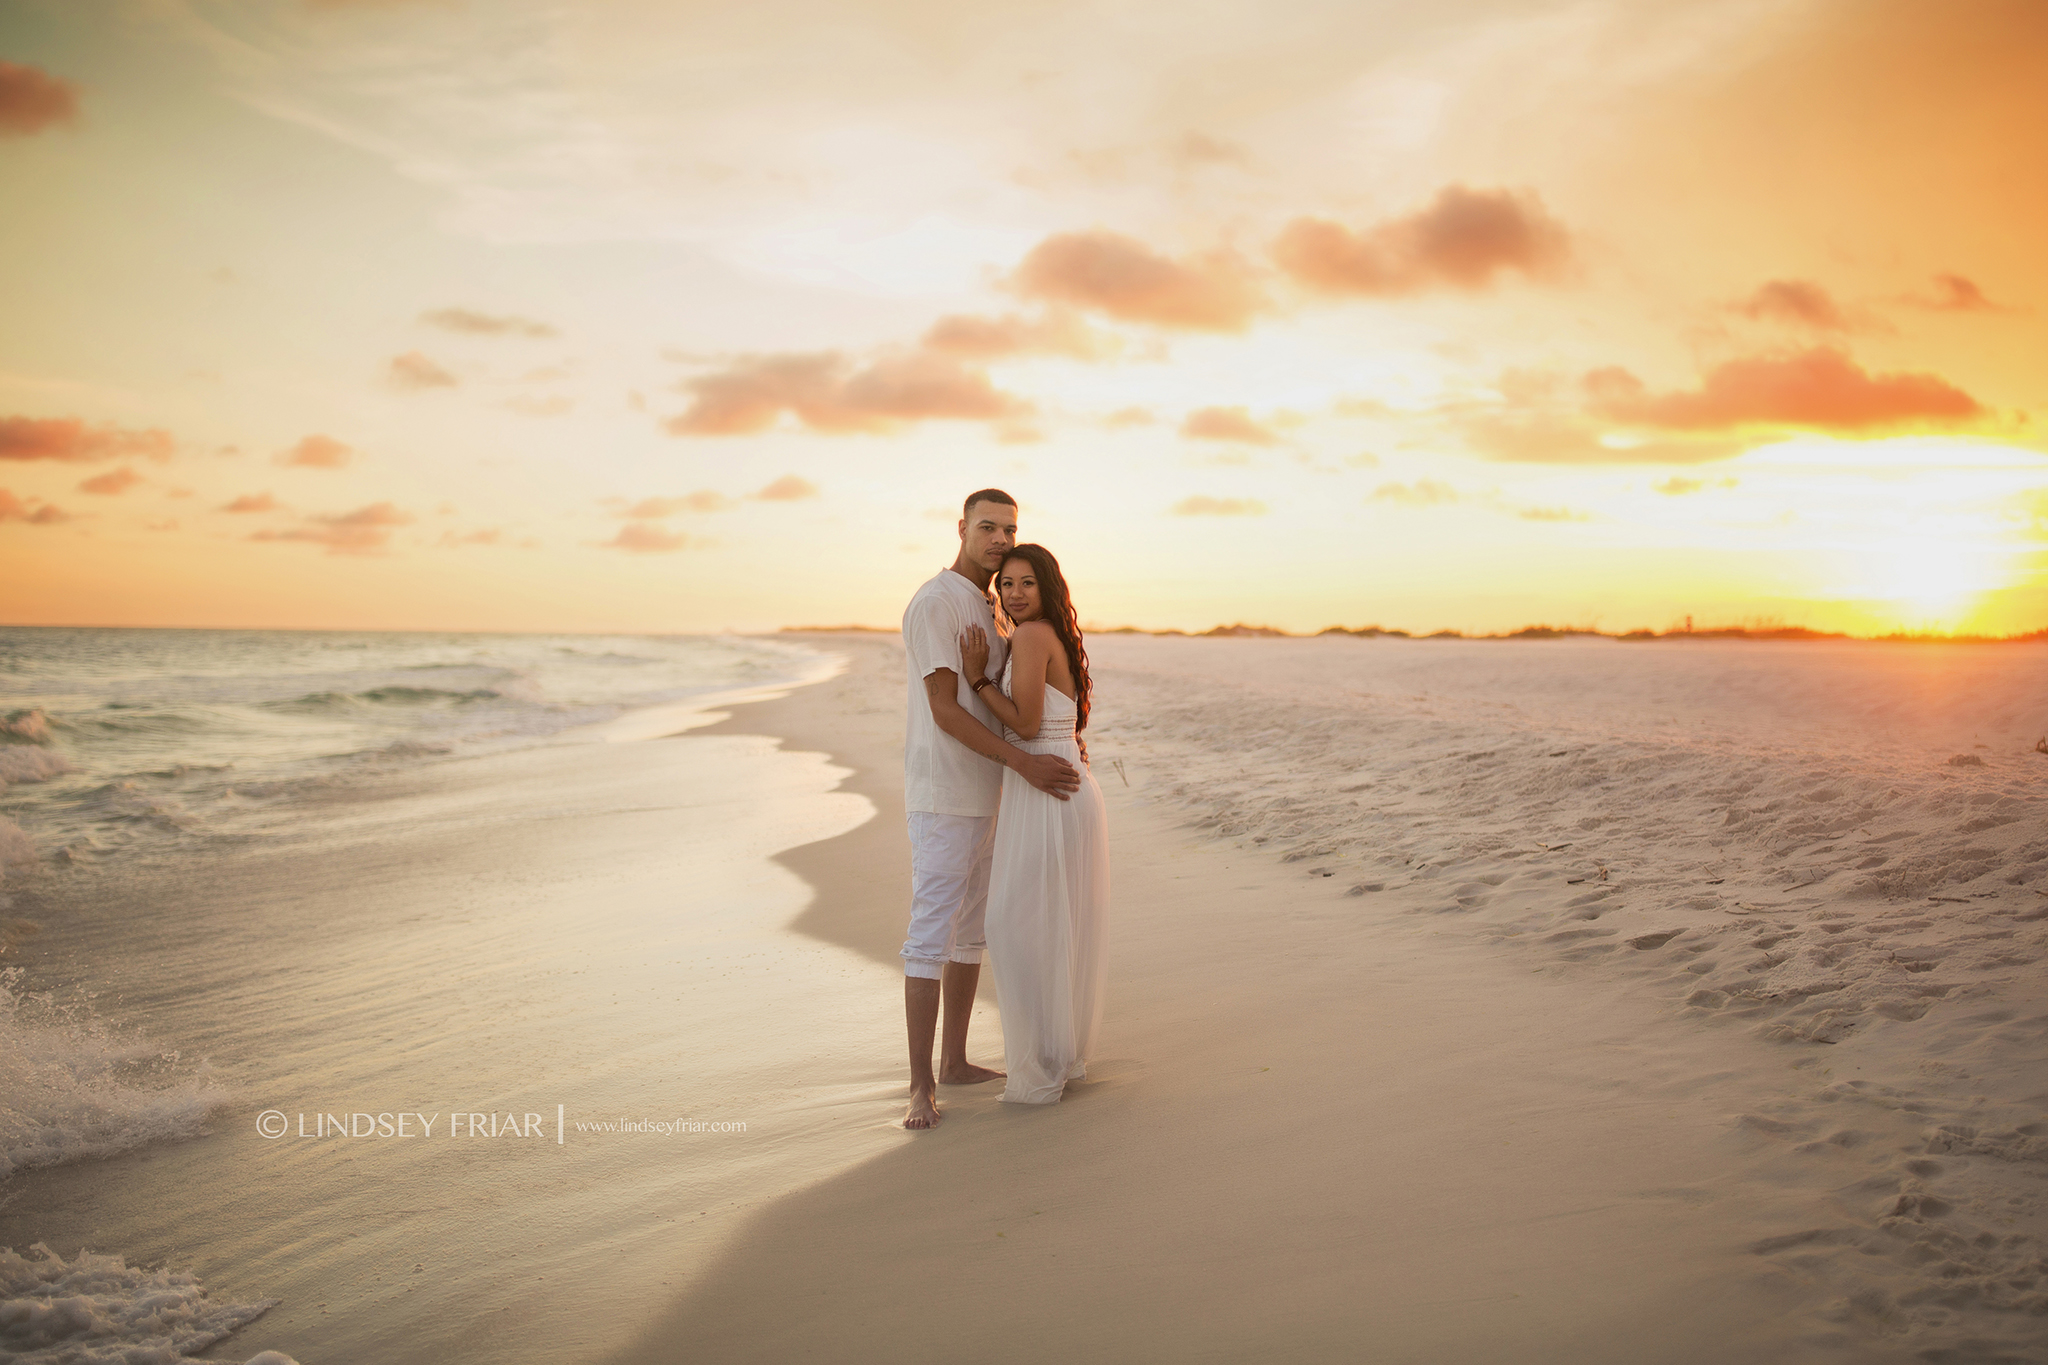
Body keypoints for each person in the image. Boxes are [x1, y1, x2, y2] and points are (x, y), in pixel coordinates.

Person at [898, 491, 1081, 1130]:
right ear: (962, 529)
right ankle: (920, 1088)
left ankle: (955, 1060)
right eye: (987, 526)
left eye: (1009, 528)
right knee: (930, 934)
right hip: (947, 794)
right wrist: (1025, 762)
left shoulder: (992, 605)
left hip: (993, 792)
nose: (999, 537)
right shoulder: (935, 602)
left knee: (972, 930)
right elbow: (945, 710)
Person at [960, 543, 1110, 1105]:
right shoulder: (1050, 634)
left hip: (1049, 789)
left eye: (1026, 583)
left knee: (1015, 924)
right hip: (1059, 785)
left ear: (1047, 587)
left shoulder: (1029, 635)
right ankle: (1055, 1054)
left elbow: (1024, 725)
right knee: (1048, 925)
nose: (1015, 594)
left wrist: (976, 680)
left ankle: (1044, 1063)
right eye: (1006, 585)